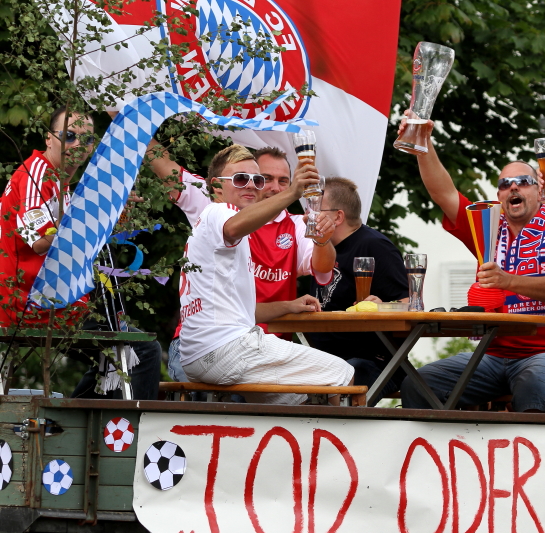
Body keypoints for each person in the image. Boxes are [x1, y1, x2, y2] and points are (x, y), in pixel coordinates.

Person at [396, 117, 545, 411]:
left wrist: (508, 281)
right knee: (418, 384)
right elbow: (443, 194)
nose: (513, 187)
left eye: (523, 182)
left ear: (539, 190)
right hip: (490, 353)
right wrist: (423, 143)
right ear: (499, 196)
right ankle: (442, 443)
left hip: (544, 352)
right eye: (505, 184)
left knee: (535, 386)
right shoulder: (486, 229)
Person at [0, 107, 161, 400]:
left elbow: (75, 238)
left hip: (51, 302)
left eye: (87, 140)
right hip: (33, 305)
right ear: (49, 138)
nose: (78, 145)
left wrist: (112, 215)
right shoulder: (36, 174)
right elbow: (39, 241)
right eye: (69, 136)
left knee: (118, 356)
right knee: (143, 351)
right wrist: (95, 214)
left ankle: (78, 418)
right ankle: (114, 425)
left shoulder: (60, 183)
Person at [178, 144, 353, 404]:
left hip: (202, 352)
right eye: (240, 179)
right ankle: (346, 433)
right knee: (342, 374)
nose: (251, 185)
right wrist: (293, 192)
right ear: (216, 187)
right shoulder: (220, 211)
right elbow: (234, 227)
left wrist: (288, 305)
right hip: (227, 347)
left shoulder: (219, 226)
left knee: (303, 401)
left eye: (256, 180)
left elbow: (244, 311)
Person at [305, 177, 409, 400]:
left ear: (338, 217)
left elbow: (409, 305)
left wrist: (381, 307)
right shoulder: (319, 248)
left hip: (373, 362)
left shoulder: (375, 246)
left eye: (317, 210)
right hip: (323, 359)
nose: (309, 216)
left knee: (341, 379)